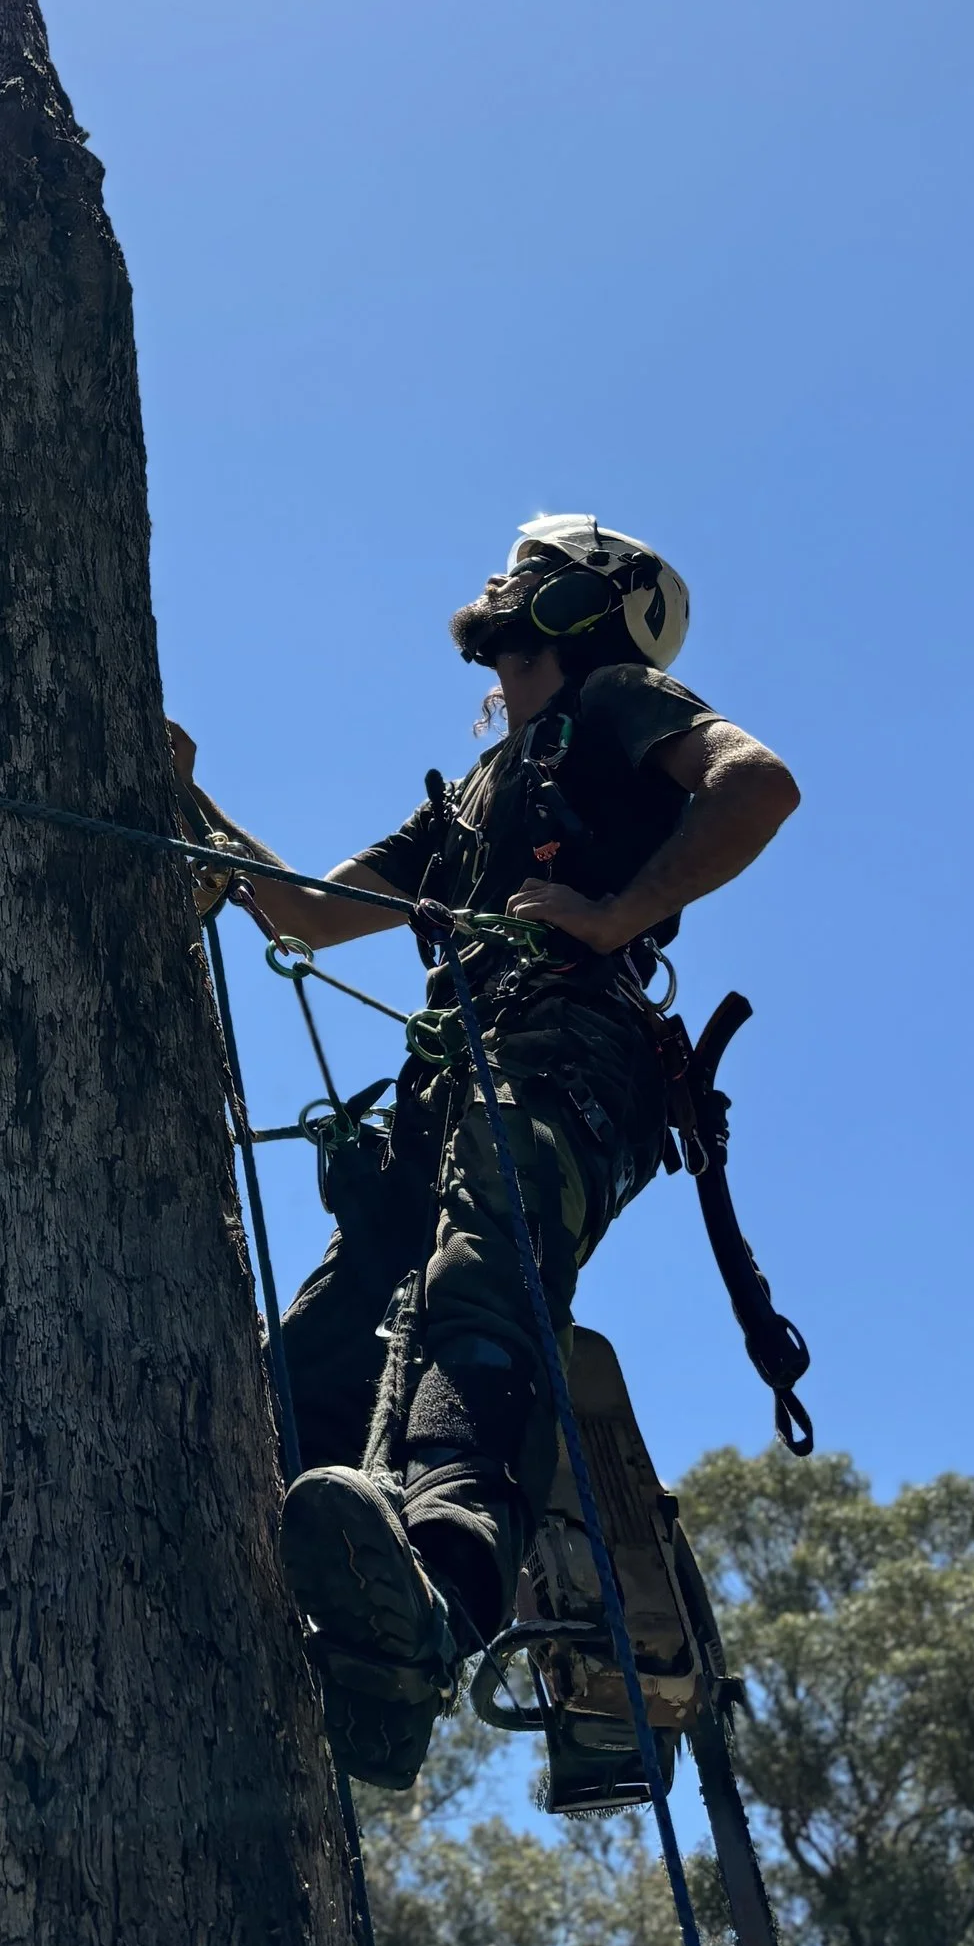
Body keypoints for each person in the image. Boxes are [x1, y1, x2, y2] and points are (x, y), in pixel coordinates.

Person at [182, 516, 799, 1790]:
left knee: (483, 1282)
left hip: (568, 1054)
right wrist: (175, 790)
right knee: (317, 1354)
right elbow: (298, 908)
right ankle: (344, 1635)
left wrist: (616, 912)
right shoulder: (469, 802)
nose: (498, 583)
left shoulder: (620, 703)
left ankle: (445, 1588)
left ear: (591, 600)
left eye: (527, 565)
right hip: (448, 1084)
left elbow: (756, 783)